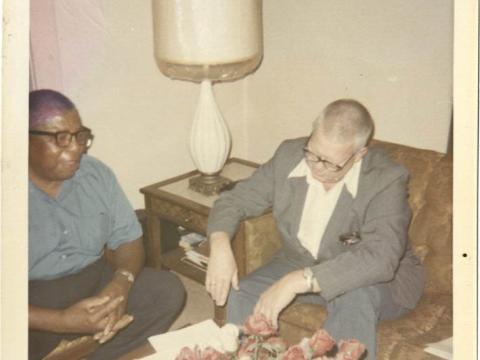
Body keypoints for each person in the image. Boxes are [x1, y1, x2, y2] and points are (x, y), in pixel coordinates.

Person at [205, 99, 425, 359]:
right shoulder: (289, 154)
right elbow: (234, 200)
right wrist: (219, 244)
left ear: (359, 155)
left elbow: (381, 258)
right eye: (312, 153)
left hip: (375, 280)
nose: (316, 167)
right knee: (242, 293)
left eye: (331, 164)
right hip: (298, 260)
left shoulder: (386, 179)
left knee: (354, 297)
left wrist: (297, 281)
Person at [28, 89, 186, 360]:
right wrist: (62, 320)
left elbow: (128, 239)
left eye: (80, 136)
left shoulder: (95, 173)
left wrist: (120, 284)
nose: (77, 147)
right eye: (61, 138)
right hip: (30, 301)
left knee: (166, 291)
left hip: (95, 279)